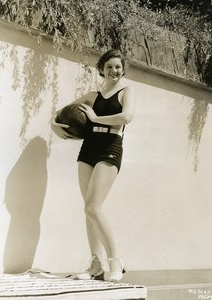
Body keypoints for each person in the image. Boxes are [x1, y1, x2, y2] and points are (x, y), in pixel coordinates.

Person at [51, 49, 136, 282]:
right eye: (109, 67)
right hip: (88, 149)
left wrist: (96, 118)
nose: (114, 71)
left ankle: (115, 261)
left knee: (93, 207)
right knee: (88, 210)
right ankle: (95, 264)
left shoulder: (126, 91)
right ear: (102, 69)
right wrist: (53, 124)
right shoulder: (91, 96)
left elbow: (126, 117)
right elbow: (60, 114)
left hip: (110, 147)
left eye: (118, 67)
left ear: (123, 69)